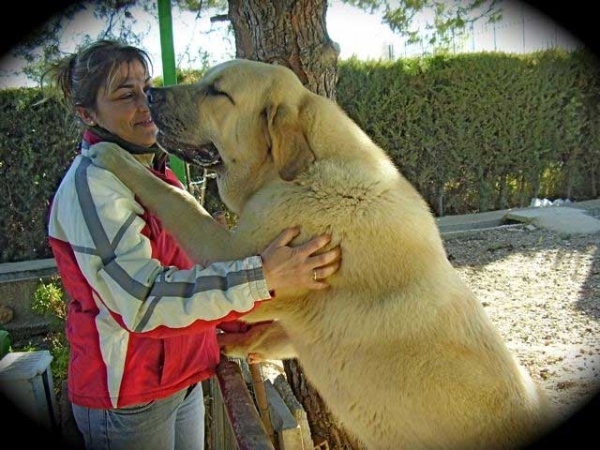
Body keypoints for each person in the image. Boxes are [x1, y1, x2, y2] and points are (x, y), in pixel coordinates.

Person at [43, 39, 341, 450]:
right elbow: (144, 302)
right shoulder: (93, 186)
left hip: (183, 375)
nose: (145, 103)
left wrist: (255, 325)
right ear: (87, 114)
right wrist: (261, 277)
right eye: (125, 95)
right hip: (128, 399)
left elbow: (189, 273)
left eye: (146, 87)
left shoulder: (155, 173)